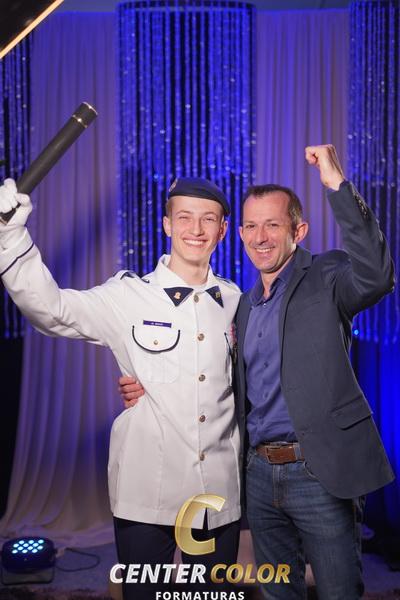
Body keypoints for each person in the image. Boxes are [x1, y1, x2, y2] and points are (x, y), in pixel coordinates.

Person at [119, 145, 395, 600]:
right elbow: (213, 374)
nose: (260, 237)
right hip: (259, 476)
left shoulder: (326, 276)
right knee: (277, 592)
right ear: (239, 232)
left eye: (273, 225)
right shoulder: (241, 305)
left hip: (319, 471)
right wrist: (148, 384)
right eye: (250, 225)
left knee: (338, 591)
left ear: (298, 231)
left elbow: (377, 275)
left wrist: (335, 184)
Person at [0, 177, 242, 599]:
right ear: (167, 224)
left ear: (222, 230)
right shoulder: (128, 295)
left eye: (208, 219)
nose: (196, 229)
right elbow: (52, 309)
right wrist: (10, 235)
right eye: (185, 217)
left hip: (217, 492)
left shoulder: (235, 300)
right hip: (147, 489)